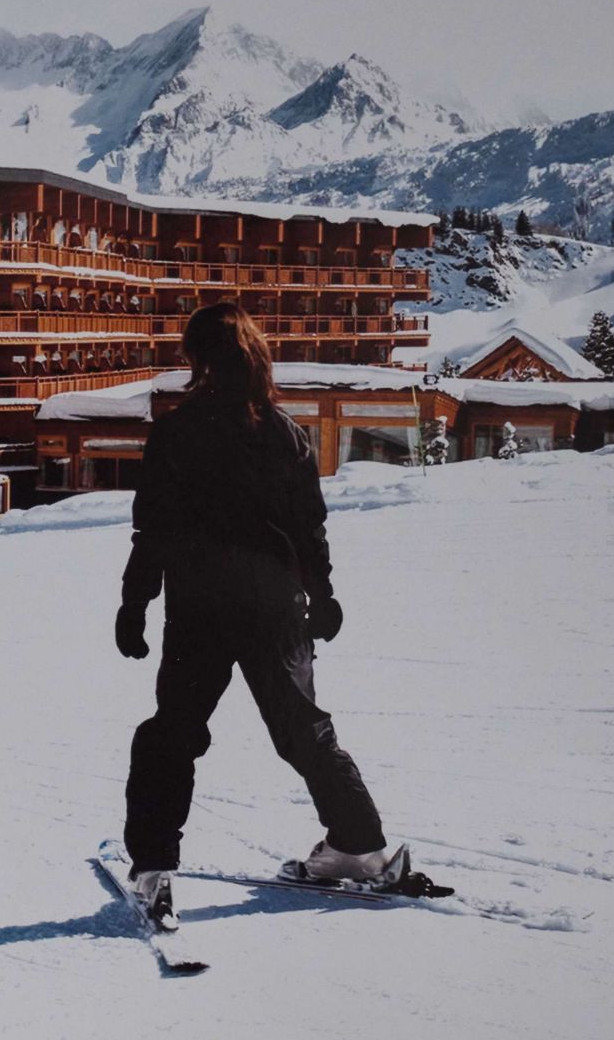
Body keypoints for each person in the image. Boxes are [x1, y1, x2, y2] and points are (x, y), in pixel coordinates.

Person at [115, 302, 405, 926]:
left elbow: (153, 532)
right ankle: (361, 847)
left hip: (200, 610)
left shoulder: (178, 430)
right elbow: (310, 528)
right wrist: (321, 594)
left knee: (173, 733)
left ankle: (154, 868)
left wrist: (134, 604)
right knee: (304, 730)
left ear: (195, 359)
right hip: (276, 608)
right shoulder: (284, 432)